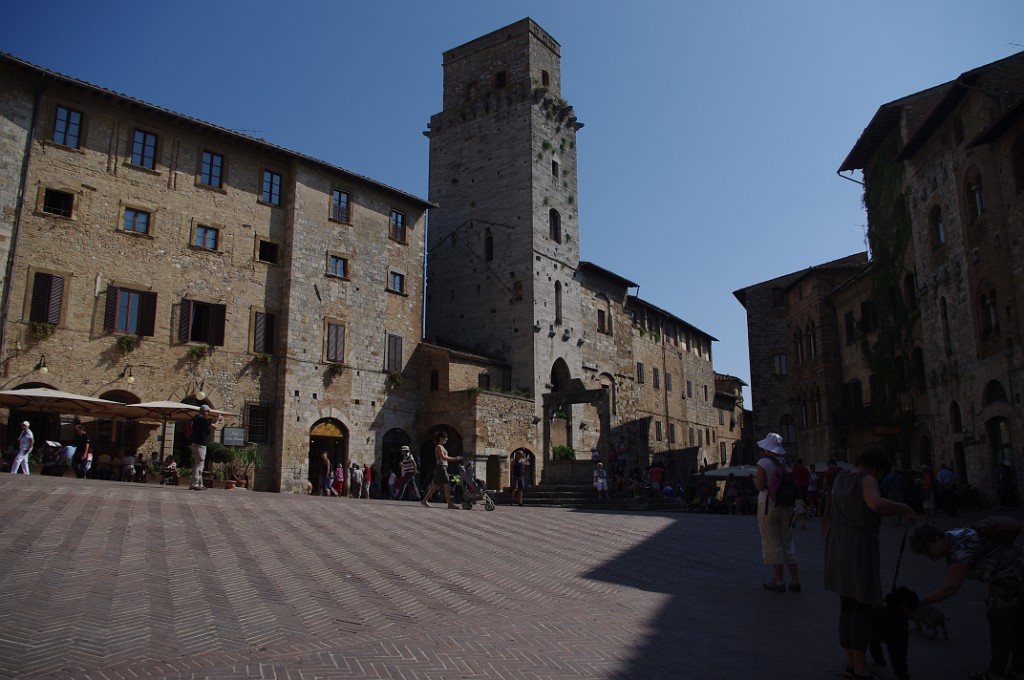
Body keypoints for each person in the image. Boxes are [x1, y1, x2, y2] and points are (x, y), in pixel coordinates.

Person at [824, 447, 915, 680]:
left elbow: (831, 510)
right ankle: (861, 670)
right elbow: (874, 504)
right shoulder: (867, 479)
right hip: (859, 544)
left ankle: (850, 665)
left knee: (846, 605)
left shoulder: (839, 477)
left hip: (837, 542)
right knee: (862, 607)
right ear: (876, 468)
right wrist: (903, 508)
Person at [911, 520, 1024, 680]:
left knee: (1001, 629)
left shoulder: (959, 550)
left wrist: (920, 602)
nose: (929, 556)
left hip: (1009, 580)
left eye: (928, 551)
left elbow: (951, 587)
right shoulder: (955, 534)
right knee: (1018, 626)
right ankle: (1018, 670)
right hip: (1016, 571)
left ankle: (996, 674)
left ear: (937, 540)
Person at [753, 432, 800, 593]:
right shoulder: (787, 464)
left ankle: (779, 581)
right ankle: (795, 580)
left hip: (768, 504)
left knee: (772, 541)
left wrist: (755, 480)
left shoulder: (763, 462)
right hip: (787, 506)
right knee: (787, 540)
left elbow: (760, 486)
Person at [421, 432, 461, 509]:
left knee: (435, 486)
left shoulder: (441, 447)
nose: (446, 439)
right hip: (441, 468)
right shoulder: (439, 447)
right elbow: (443, 457)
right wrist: (455, 458)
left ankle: (424, 500)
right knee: (447, 485)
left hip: (442, 467)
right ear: (441, 438)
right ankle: (450, 504)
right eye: (445, 438)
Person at [189, 405, 222, 490]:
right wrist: (218, 419)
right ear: (205, 411)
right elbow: (214, 427)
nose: (208, 413)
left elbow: (208, 424)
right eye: (208, 412)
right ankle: (195, 483)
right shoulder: (202, 419)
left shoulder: (196, 418)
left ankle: (199, 483)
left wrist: (214, 420)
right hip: (201, 445)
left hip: (195, 443)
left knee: (198, 464)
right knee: (199, 464)